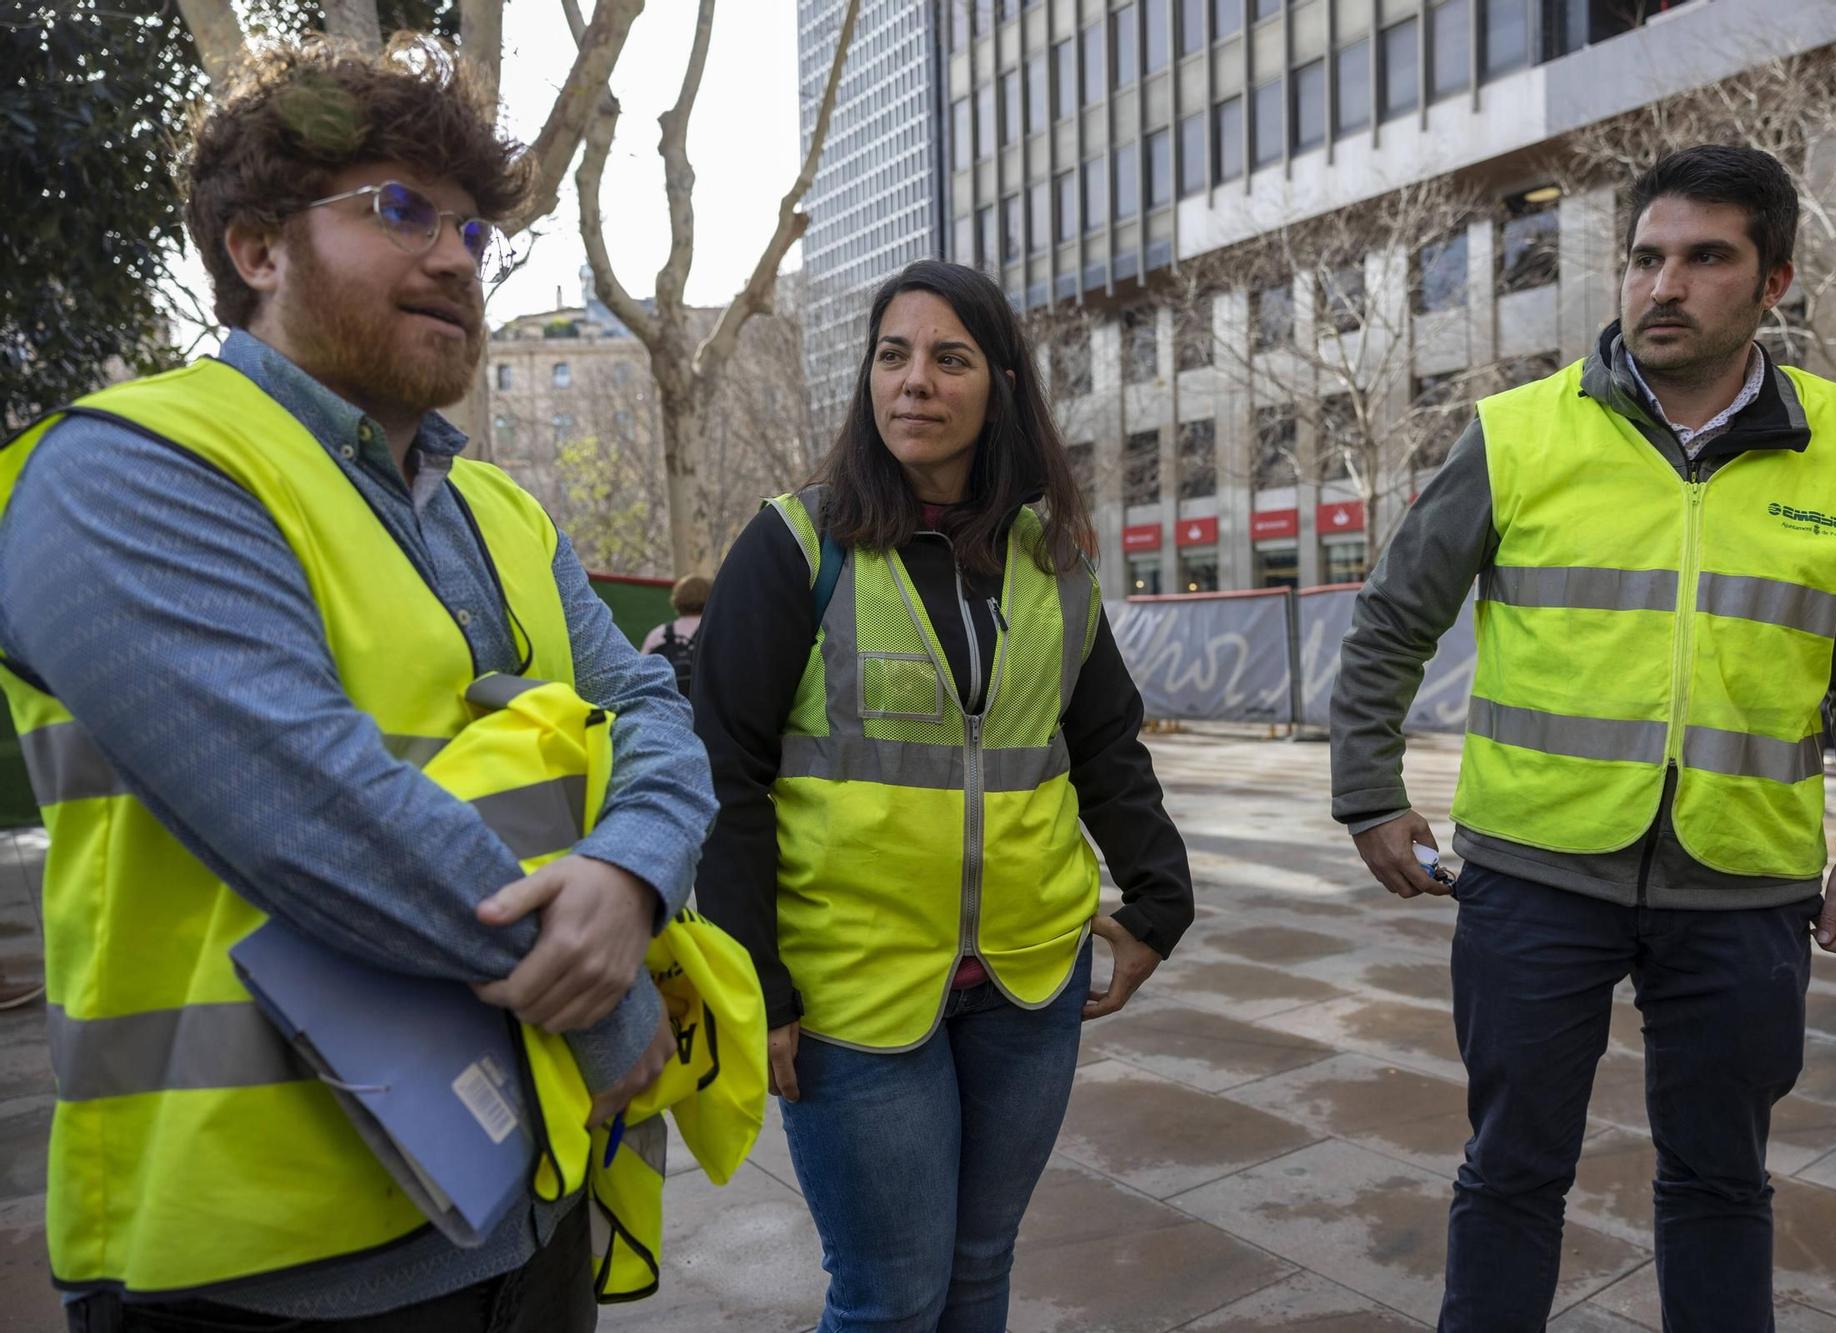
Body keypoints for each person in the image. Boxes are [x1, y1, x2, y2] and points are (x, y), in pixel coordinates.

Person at [0, 37, 717, 1330]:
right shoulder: (123, 473)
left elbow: (653, 709)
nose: (454, 254)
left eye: (470, 228)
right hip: (256, 1270)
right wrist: (611, 1019)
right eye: (399, 209)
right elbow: (329, 819)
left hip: (531, 1209)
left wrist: (635, 871)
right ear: (257, 246)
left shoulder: (502, 510)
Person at [1328, 145, 1836, 1331]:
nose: (1664, 285)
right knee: (1509, 1172)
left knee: (1719, 1179)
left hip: (1747, 884)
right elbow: (1394, 615)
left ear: (1773, 283)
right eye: (1646, 258)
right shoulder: (1518, 433)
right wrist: (1366, 788)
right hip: (1531, 874)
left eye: (1705, 258)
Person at [692, 259, 1194, 1332]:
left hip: (1024, 982)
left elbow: (1104, 740)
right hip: (850, 994)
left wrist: (1160, 902)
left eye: (947, 357)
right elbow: (722, 771)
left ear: (999, 384)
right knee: (888, 1298)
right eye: (892, 355)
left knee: (977, 1269)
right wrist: (756, 984)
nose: (913, 380)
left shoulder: (1050, 562)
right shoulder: (795, 549)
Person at [641, 573, 710, 699]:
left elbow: (641, 677)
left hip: (669, 709)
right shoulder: (715, 630)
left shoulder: (657, 635)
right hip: (707, 708)